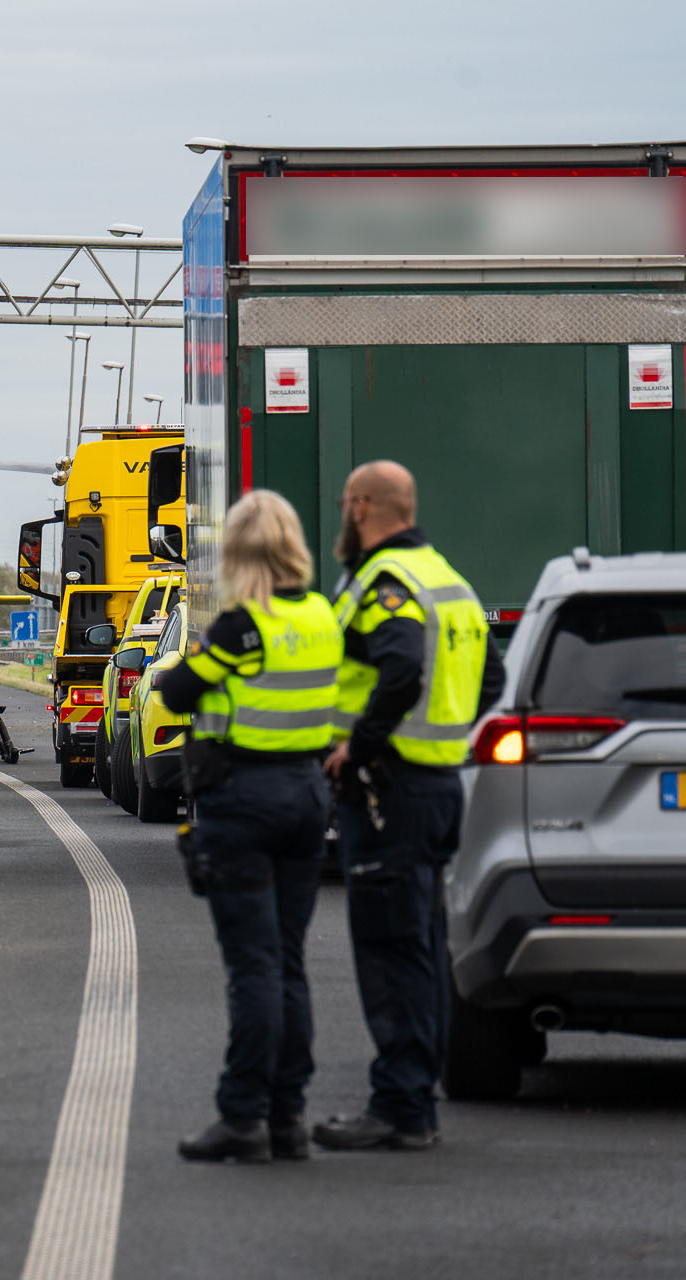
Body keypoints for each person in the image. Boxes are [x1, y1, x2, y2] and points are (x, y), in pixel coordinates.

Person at [314, 461, 504, 1152]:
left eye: (346, 503)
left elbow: (399, 670)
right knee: (421, 946)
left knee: (391, 951)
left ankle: (400, 1105)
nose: (344, 512)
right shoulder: (449, 581)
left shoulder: (386, 584)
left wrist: (358, 748)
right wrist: (446, 734)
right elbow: (493, 678)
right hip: (438, 786)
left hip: (389, 792)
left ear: (362, 506)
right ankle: (415, 1096)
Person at [155, 490, 342, 1164]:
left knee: (253, 968)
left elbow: (174, 692)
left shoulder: (239, 628)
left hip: (243, 797)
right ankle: (288, 1117)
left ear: (236, 553)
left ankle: (241, 1117)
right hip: (307, 795)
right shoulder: (323, 616)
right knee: (289, 961)